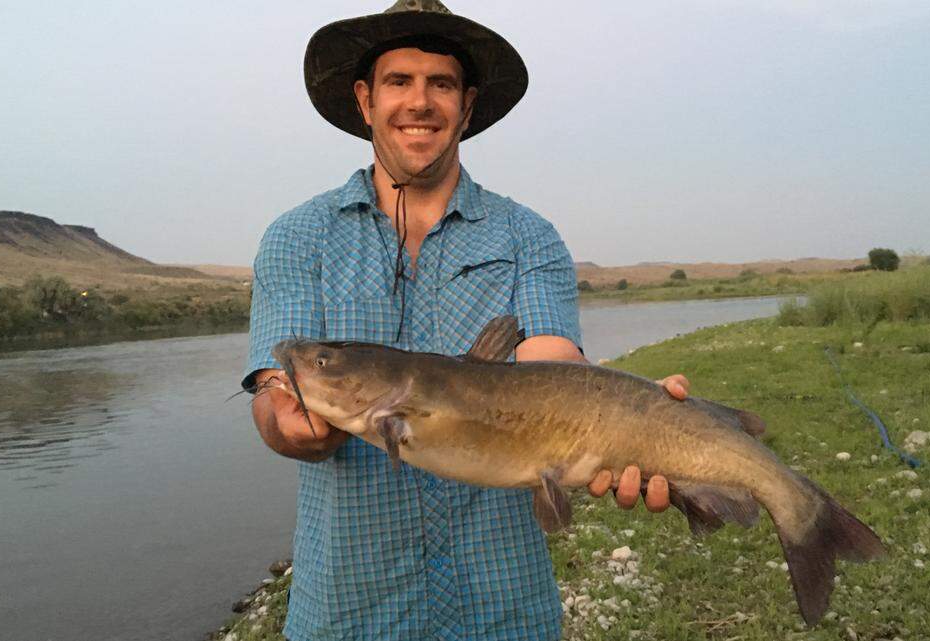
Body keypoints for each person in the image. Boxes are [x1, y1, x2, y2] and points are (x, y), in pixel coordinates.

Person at [243, 2, 688, 639]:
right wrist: (290, 422)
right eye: (399, 81)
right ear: (366, 100)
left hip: (503, 607)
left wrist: (631, 414)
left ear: (468, 105)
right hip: (348, 609)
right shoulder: (297, 239)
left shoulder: (529, 236)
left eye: (441, 84)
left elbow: (552, 363)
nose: (419, 102)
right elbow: (273, 402)